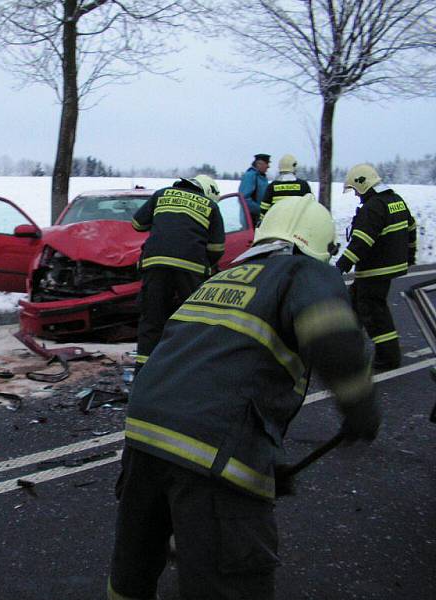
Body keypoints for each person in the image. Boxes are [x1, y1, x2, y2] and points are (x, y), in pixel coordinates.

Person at [109, 194, 380, 600]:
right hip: (209, 449)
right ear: (317, 248)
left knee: (134, 569)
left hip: (143, 437)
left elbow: (208, 367)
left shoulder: (216, 281)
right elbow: (331, 332)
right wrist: (360, 404)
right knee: (230, 579)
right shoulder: (301, 271)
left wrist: (267, 463)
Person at [130, 174, 224, 374]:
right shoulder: (211, 206)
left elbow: (137, 224)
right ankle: (188, 373)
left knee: (152, 319)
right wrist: (207, 264)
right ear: (208, 192)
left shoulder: (161, 194)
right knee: (191, 321)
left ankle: (143, 375)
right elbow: (217, 248)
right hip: (191, 270)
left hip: (155, 264)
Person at [337, 163, 417, 371]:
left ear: (363, 184)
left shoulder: (373, 208)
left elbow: (361, 242)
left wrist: (339, 267)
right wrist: (410, 255)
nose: (356, 195)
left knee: (373, 312)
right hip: (389, 266)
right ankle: (346, 349)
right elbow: (412, 227)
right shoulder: (396, 200)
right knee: (353, 301)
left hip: (375, 269)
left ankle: (388, 358)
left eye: (355, 190)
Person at [259, 153, 311, 222]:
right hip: (297, 227)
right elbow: (310, 206)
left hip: (276, 226)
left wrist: (263, 223)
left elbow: (264, 208)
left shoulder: (272, 186)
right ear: (294, 166)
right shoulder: (303, 185)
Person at [239, 153, 271, 225]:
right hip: (251, 220)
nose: (268, 166)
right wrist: (261, 210)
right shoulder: (250, 176)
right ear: (259, 164)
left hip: (259, 219)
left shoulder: (261, 177)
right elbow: (244, 199)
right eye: (267, 163)